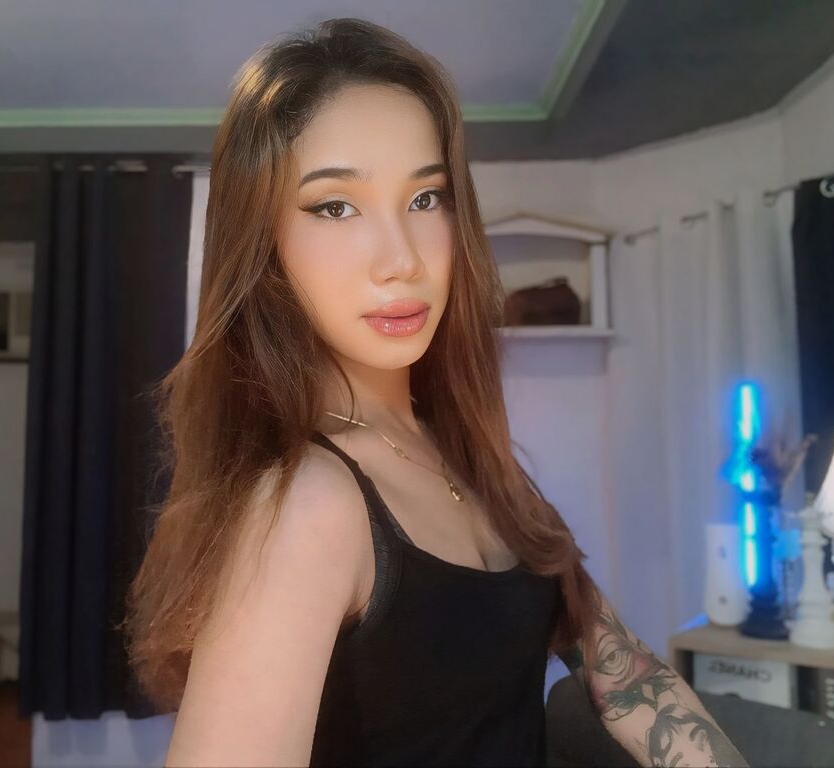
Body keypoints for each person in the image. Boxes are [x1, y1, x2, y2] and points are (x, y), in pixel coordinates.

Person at [124, 17, 748, 768]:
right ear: (264, 245)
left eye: (426, 198)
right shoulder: (308, 505)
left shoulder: (471, 457)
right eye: (336, 206)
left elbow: (628, 680)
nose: (402, 259)